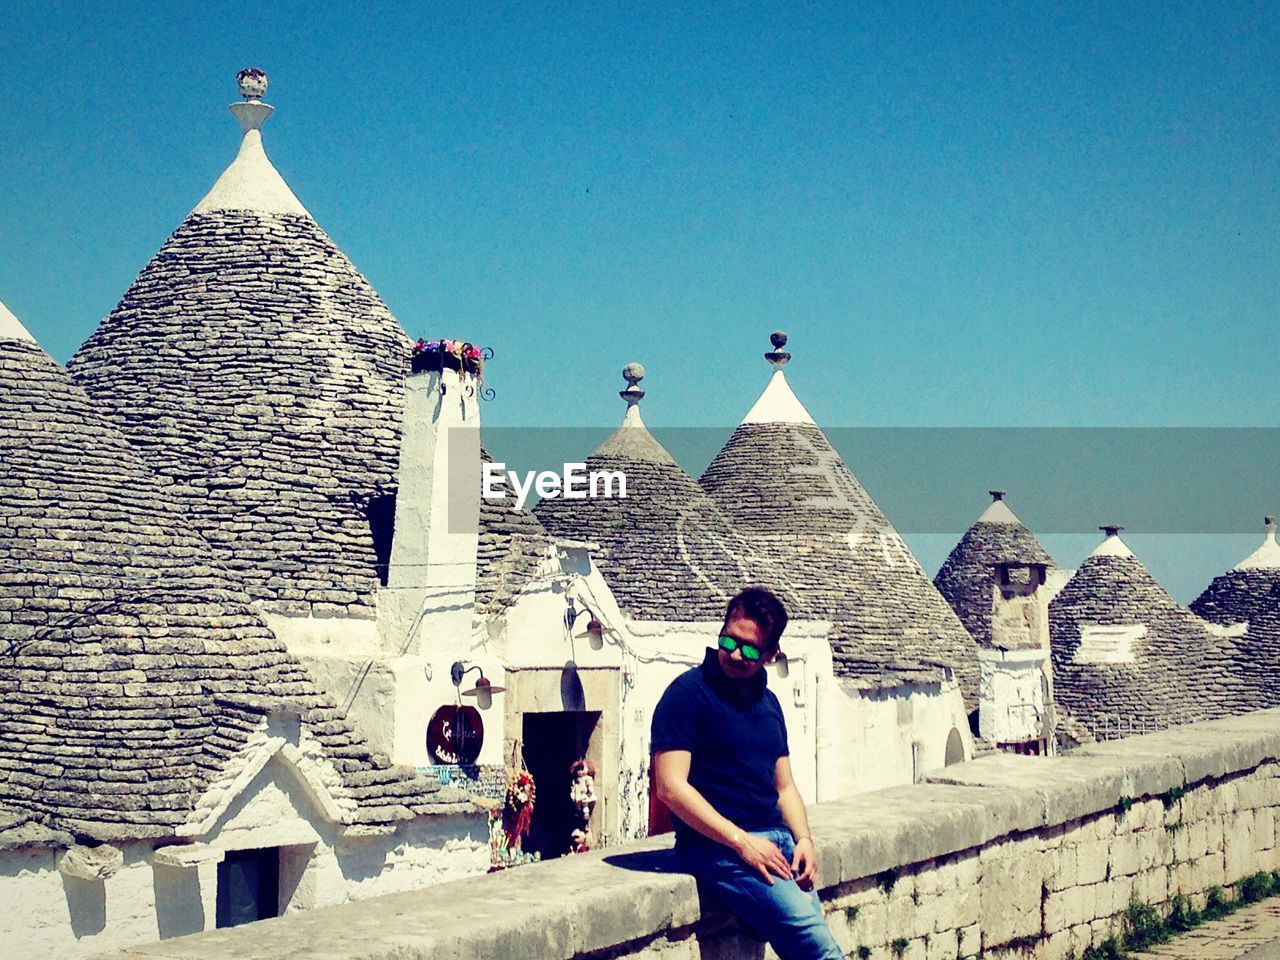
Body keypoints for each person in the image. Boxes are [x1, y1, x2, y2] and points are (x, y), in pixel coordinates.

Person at [650, 587, 843, 960]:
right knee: (818, 950)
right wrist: (741, 842)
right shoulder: (687, 695)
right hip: (718, 848)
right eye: (729, 641)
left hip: (778, 845)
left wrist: (804, 839)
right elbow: (670, 788)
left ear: (771, 655)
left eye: (751, 649)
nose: (736, 654)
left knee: (807, 945)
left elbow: (784, 787)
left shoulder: (769, 704)